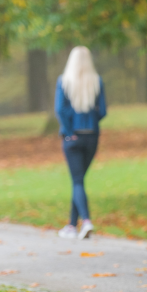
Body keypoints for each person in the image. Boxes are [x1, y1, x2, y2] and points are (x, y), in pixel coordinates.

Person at [55, 46, 107, 240]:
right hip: (91, 136)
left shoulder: (64, 81)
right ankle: (71, 225)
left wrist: (69, 131)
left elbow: (60, 109)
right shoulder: (96, 82)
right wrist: (90, 120)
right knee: (79, 181)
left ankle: (85, 221)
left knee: (77, 181)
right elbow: (102, 111)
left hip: (72, 138)